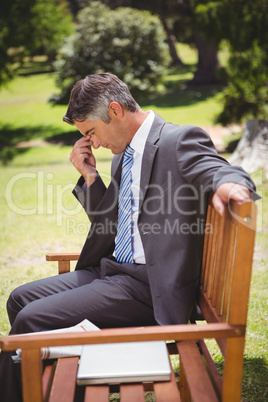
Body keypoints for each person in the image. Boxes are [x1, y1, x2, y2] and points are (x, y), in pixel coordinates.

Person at [0, 73, 257, 401]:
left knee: (30, 319)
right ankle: (55, 390)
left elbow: (216, 167)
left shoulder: (177, 141)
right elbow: (111, 224)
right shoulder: (123, 153)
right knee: (19, 299)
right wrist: (91, 177)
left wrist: (232, 184)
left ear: (116, 110)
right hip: (112, 272)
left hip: (149, 288)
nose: (92, 142)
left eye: (91, 132)